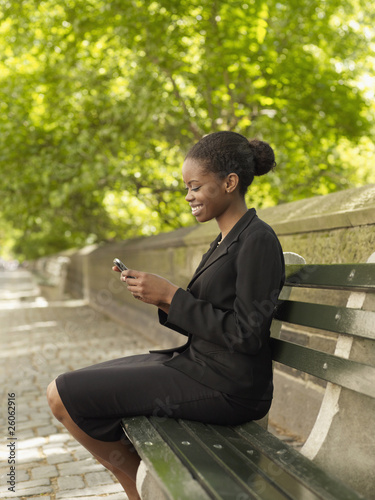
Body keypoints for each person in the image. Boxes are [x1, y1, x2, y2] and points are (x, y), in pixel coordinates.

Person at [47, 131, 285, 500]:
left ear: (230, 182)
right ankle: (141, 483)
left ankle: (138, 487)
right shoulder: (224, 239)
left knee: (64, 393)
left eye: (195, 186)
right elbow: (209, 312)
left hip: (229, 386)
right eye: (186, 187)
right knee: (60, 393)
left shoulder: (258, 240)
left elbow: (248, 334)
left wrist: (173, 295)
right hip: (197, 365)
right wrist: (159, 298)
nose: (188, 196)